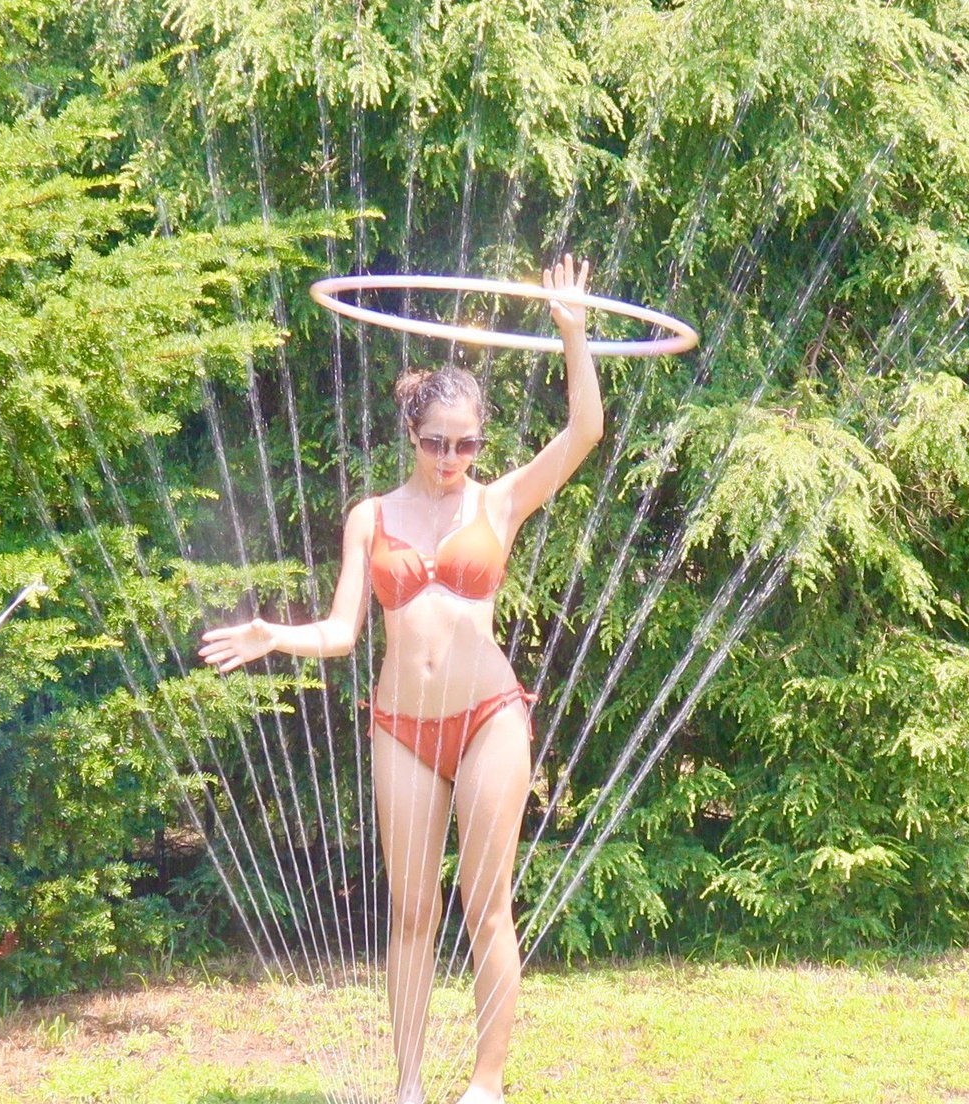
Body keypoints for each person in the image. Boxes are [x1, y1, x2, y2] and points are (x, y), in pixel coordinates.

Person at [199, 254, 603, 1104]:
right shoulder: (371, 516)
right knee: (413, 912)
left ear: (481, 442)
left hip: (489, 717)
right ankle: (409, 1087)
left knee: (485, 905)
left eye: (467, 443)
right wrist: (274, 634)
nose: (451, 457)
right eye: (436, 442)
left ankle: (486, 1085)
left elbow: (584, 434)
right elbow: (343, 632)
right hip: (402, 728)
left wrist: (572, 332)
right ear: (411, 435)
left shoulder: (499, 503)